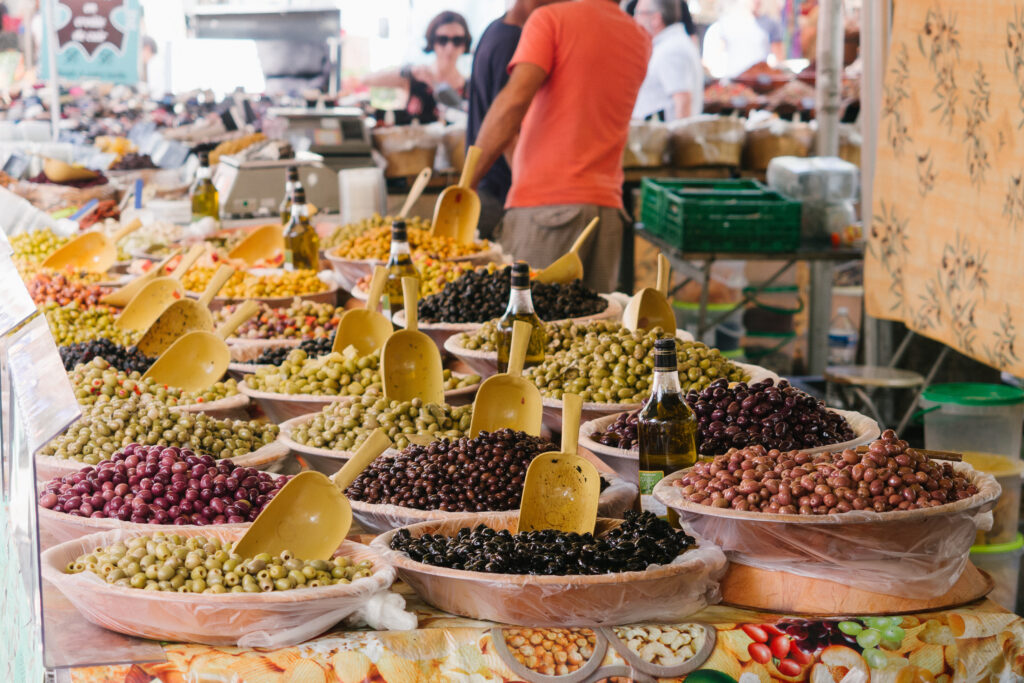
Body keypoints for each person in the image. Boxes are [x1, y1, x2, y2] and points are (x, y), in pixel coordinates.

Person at [470, 0, 651, 292]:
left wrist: (468, 182)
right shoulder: (639, 37)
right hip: (606, 213)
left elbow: (513, 103)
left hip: (547, 211)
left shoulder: (550, 20)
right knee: (591, 331)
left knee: (527, 329)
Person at [466, 0, 564, 240]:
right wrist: (529, 189)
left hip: (490, 185)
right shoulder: (512, 41)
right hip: (500, 190)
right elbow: (508, 122)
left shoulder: (494, 29)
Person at [361, 11, 471, 125]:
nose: (450, 47)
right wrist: (407, 72)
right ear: (432, 41)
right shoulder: (415, 76)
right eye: (443, 39)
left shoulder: (471, 88)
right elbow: (365, 79)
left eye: (457, 40)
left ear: (465, 44)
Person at [632, 0, 704, 122]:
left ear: (656, 19)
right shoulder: (672, 44)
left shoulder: (672, 49)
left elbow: (683, 102)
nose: (634, 19)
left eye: (639, 13)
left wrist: (679, 140)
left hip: (662, 138)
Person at [702, 0, 770, 79]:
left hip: (759, 83)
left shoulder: (766, 26)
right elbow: (710, 61)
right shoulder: (722, 26)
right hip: (731, 82)